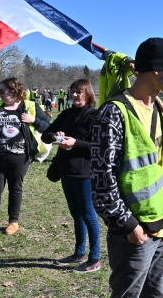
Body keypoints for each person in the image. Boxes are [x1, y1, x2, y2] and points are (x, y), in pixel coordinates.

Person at [90, 37, 163, 297]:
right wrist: (130, 227)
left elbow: (157, 169)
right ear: (155, 69)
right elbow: (101, 182)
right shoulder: (114, 113)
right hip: (134, 232)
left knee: (157, 295)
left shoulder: (159, 111)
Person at [0, 78, 50, 235]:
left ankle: (13, 222)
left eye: (3, 91)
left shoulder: (29, 106)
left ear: (14, 91)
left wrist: (33, 120)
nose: (0, 95)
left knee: (15, 188)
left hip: (19, 157)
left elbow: (48, 125)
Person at [42, 79, 100, 272]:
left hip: (84, 172)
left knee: (89, 215)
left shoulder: (95, 116)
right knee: (76, 215)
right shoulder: (66, 114)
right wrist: (55, 136)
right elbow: (45, 134)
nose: (75, 95)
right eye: (73, 92)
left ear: (88, 93)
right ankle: (79, 253)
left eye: (79, 92)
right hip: (66, 170)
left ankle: (94, 258)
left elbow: (99, 148)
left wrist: (75, 143)